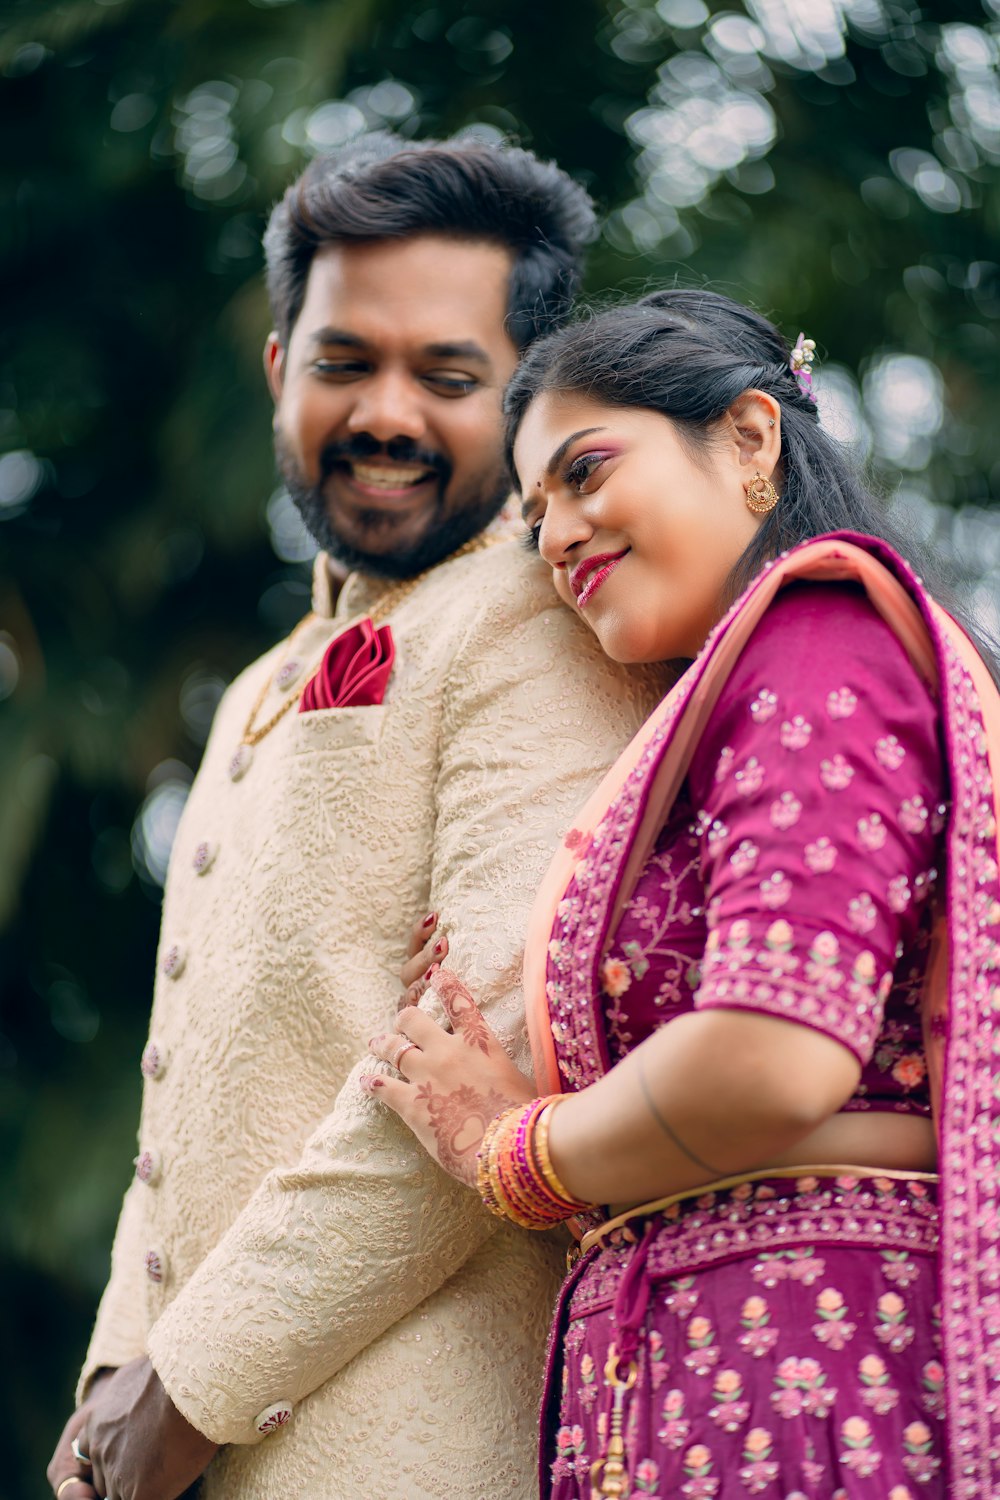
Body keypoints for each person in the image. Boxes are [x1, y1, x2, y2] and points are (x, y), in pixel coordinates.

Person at [47, 135, 669, 1500]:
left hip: (417, 1454)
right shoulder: (264, 686)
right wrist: (115, 1376)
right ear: (280, 373)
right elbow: (185, 1092)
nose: (386, 412)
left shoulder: (539, 624)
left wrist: (190, 1382)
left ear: (532, 402)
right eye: (344, 363)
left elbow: (485, 1071)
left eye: (448, 377)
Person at [367, 288, 1000, 1498]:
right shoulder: (727, 704)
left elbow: (770, 1055)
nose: (555, 535)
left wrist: (513, 1149)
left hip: (820, 1391)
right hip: (708, 1392)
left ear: (751, 437)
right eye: (534, 516)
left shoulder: (819, 632)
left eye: (585, 470)